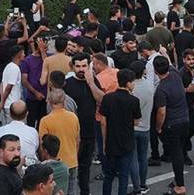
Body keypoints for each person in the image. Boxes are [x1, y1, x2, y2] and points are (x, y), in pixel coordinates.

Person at [63, 53, 105, 195]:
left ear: (89, 66)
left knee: (85, 166)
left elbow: (101, 100)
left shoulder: (93, 81)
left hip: (89, 132)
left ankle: (85, 192)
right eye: (78, 66)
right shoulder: (67, 84)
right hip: (71, 134)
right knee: (70, 166)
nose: (81, 69)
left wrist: (91, 83)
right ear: (73, 67)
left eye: (84, 66)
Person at [100, 69, 141, 195]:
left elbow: (103, 122)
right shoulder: (134, 101)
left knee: (109, 176)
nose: (134, 84)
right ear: (128, 83)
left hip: (111, 142)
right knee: (123, 176)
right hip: (127, 142)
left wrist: (104, 141)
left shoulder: (107, 98)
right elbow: (136, 121)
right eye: (133, 82)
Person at [154, 56, 190, 195]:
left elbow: (161, 112)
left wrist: (158, 127)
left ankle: (180, 186)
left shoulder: (161, 90)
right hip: (184, 120)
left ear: (156, 71)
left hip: (172, 124)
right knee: (179, 150)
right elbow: (171, 65)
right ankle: (177, 180)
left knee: (176, 154)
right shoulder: (175, 75)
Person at [39, 90, 79, 195]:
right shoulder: (73, 117)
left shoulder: (45, 121)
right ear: (64, 101)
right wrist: (74, 154)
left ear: (49, 102)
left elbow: (42, 144)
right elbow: (77, 140)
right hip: (72, 160)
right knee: (71, 190)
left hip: (54, 163)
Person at [128, 61, 153, 195]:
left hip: (133, 127)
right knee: (143, 157)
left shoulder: (131, 89)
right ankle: (143, 184)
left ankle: (137, 187)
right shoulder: (149, 86)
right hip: (146, 126)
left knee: (133, 159)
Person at [0, 100, 39, 167]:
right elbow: (35, 148)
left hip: (6, 166)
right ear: (27, 114)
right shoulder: (33, 132)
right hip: (28, 168)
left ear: (10, 114)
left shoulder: (0, 131)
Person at [21, 38, 47, 128]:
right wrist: (36, 93)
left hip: (46, 96)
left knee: (43, 121)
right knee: (31, 121)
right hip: (32, 97)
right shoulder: (27, 60)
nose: (46, 49)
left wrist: (43, 52)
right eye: (44, 47)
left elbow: (47, 65)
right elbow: (24, 80)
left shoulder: (47, 57)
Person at [0, 45, 26, 124]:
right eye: (23, 53)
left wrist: (2, 100)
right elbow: (8, 87)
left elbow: (2, 84)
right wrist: (2, 101)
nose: (24, 55)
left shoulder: (8, 66)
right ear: (19, 54)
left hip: (8, 104)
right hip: (12, 105)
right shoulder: (15, 68)